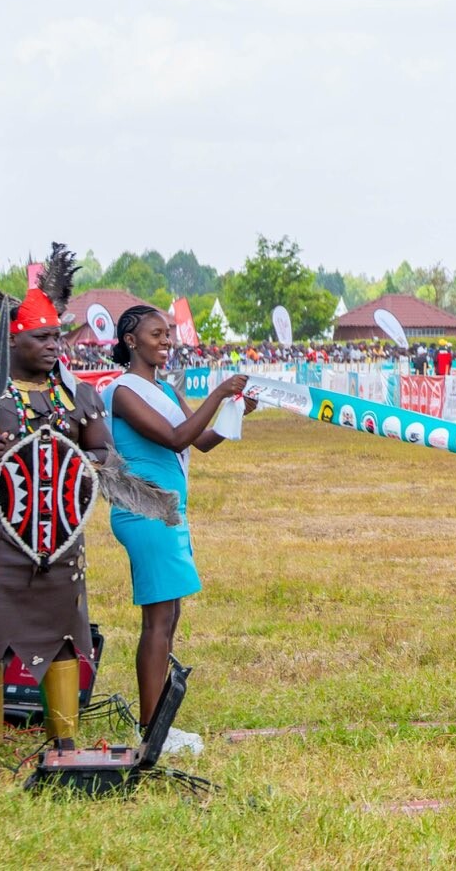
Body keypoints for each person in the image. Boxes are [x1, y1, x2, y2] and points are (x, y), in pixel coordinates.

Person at [0, 250, 126, 778]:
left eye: (57, 337)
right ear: (12, 341)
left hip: (58, 542)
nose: (54, 346)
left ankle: (65, 742)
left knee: (63, 638)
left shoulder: (75, 395)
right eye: (42, 338)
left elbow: (104, 453)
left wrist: (77, 460)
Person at [105, 305, 250, 756]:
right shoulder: (122, 392)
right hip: (145, 510)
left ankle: (159, 724)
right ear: (131, 340)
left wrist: (235, 411)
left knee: (169, 616)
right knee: (157, 620)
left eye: (168, 333)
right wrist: (218, 392)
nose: (167, 340)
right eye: (157, 333)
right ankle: (152, 732)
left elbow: (200, 441)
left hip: (168, 512)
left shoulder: (164, 388)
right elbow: (174, 439)